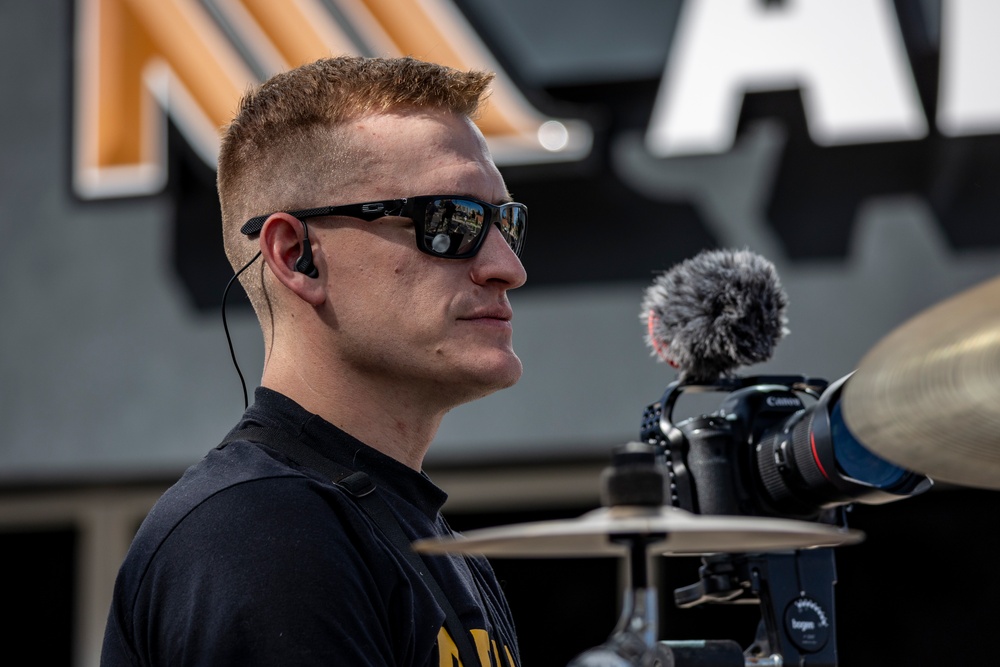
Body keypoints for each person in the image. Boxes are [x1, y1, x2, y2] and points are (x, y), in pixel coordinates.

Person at [101, 55, 528, 666]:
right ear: (295, 252)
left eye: (505, 223)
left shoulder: (420, 537)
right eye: (449, 222)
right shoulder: (261, 533)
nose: (507, 268)